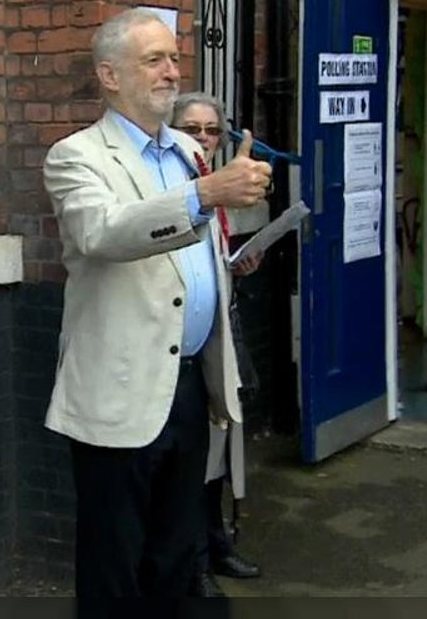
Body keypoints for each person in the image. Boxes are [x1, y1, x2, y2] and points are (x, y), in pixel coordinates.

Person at [41, 8, 272, 599]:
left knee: (177, 553)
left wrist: (231, 260)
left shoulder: (189, 155)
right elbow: (103, 231)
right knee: (114, 561)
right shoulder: (78, 156)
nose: (172, 72)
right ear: (110, 76)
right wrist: (206, 193)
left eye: (174, 58)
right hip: (121, 386)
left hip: (189, 381)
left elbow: (186, 261)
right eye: (155, 60)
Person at [170, 92, 265, 598]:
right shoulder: (173, 183)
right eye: (192, 127)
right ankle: (196, 564)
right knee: (192, 459)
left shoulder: (224, 189)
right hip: (179, 344)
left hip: (220, 332)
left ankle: (216, 542)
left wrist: (239, 264)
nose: (202, 138)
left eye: (211, 131)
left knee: (221, 449)